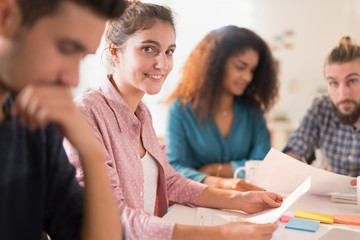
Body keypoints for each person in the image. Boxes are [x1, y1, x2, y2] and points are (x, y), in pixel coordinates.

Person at [64, 2, 283, 240]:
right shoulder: (86, 113)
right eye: (149, 49)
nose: (162, 63)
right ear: (115, 52)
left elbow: (168, 181)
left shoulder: (142, 113)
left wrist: (240, 200)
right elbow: (109, 215)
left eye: (169, 51)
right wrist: (220, 234)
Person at [0, 0, 127, 239]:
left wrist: (92, 152)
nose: (73, 79)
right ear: (5, 17)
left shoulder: (36, 123)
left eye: (82, 57)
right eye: (66, 49)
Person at [164, 25, 278, 191]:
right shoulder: (181, 109)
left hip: (246, 200)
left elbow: (263, 162)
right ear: (215, 63)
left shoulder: (252, 110)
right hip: (196, 200)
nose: (247, 77)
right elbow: (174, 167)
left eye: (252, 70)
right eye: (240, 67)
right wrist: (221, 182)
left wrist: (213, 170)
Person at [284, 36, 360, 184]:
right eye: (333, 83)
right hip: (325, 198)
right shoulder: (320, 106)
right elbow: (296, 148)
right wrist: (288, 166)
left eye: (352, 81)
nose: (343, 94)